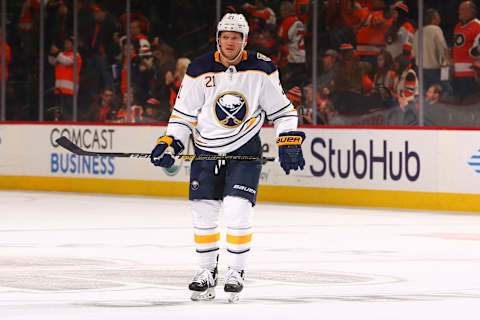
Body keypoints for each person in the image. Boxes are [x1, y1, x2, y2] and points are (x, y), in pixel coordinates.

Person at [150, 13, 305, 303]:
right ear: (218, 38)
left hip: (244, 150)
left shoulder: (262, 68)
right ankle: (206, 271)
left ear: (244, 40)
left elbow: (283, 112)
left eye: (235, 37)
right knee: (204, 213)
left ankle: (236, 271)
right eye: (225, 36)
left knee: (237, 209)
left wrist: (287, 139)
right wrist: (170, 142)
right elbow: (182, 115)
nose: (229, 42)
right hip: (206, 150)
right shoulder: (198, 69)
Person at [412, 8, 450, 93]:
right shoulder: (436, 29)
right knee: (442, 91)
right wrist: (448, 62)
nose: (440, 19)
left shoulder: (418, 32)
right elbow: (443, 49)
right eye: (438, 17)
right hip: (434, 69)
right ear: (433, 19)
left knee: (424, 93)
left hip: (420, 68)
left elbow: (413, 53)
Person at [48, 36, 82, 120]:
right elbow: (52, 62)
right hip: (59, 90)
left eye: (69, 43)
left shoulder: (76, 55)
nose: (66, 44)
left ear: (73, 45)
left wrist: (57, 53)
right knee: (59, 113)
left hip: (70, 91)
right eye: (65, 42)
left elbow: (67, 62)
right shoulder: (61, 54)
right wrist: (51, 53)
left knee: (69, 114)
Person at [452, 1, 480, 100]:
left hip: (471, 75)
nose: (459, 11)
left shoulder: (478, 25)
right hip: (457, 74)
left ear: (470, 11)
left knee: (470, 106)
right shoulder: (458, 26)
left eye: (462, 9)